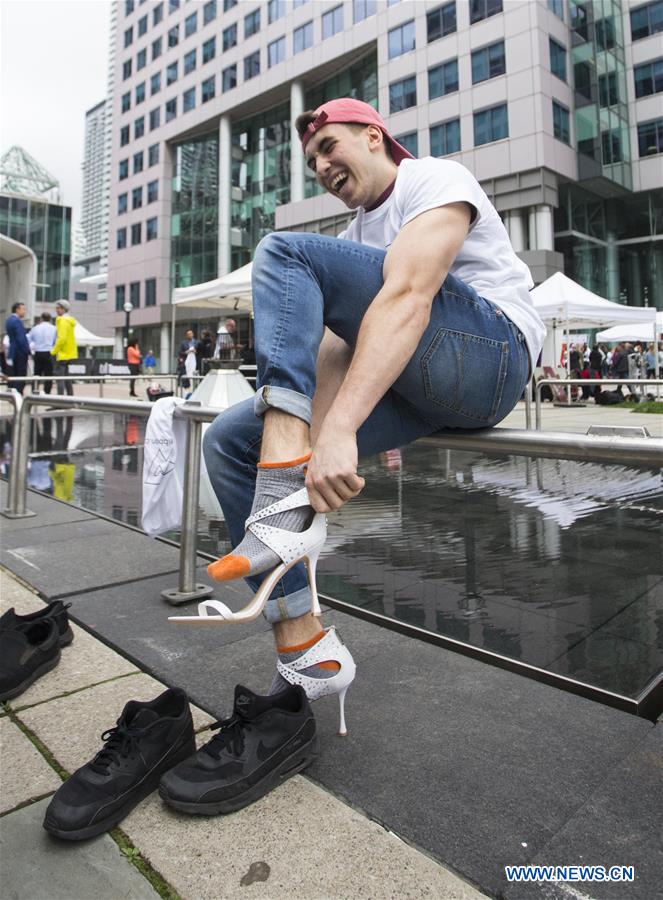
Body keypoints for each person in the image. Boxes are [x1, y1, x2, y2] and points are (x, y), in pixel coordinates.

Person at [163, 98, 546, 814]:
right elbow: (338, 349)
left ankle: (281, 488)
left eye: (330, 146)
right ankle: (308, 650)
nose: (322, 165)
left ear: (374, 137)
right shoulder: (354, 233)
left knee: (282, 248)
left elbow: (407, 294)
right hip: (419, 381)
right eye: (312, 161)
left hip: (489, 359)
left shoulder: (433, 178)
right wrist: (320, 428)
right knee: (228, 439)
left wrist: (332, 436)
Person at [51, 300, 77, 396]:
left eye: (58, 308)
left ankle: (60, 401)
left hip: (62, 354)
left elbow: (61, 339)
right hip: (70, 353)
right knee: (67, 377)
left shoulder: (62, 320)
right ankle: (70, 398)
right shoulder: (70, 321)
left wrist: (53, 351)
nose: (56, 310)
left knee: (60, 379)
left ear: (63, 309)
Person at [5, 302, 30, 394]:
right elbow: (21, 339)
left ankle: (12, 394)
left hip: (13, 351)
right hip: (20, 352)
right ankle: (18, 395)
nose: (24, 312)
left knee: (13, 375)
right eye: (23, 309)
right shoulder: (17, 321)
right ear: (17, 310)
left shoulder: (9, 320)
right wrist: (27, 350)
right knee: (20, 375)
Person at [30, 312, 57, 394]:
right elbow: (55, 341)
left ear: (41, 319)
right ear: (50, 319)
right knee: (48, 375)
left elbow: (31, 339)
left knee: (36, 374)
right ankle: (47, 393)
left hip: (38, 352)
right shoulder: (54, 328)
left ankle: (34, 391)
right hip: (49, 352)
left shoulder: (35, 328)